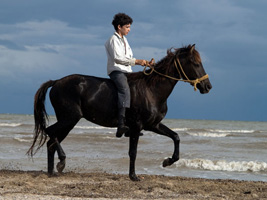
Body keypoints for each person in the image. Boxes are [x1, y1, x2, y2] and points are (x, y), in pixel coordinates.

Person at [105, 13, 150, 138]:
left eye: (129, 27)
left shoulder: (125, 40)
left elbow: (128, 58)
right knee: (124, 91)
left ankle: (131, 125)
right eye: (127, 27)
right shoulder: (113, 40)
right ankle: (120, 124)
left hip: (127, 71)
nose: (129, 30)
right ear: (119, 27)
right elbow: (118, 58)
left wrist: (145, 63)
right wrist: (137, 61)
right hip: (117, 71)